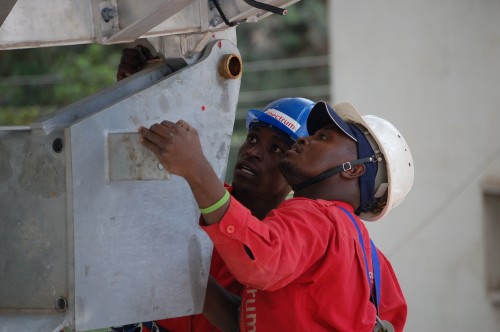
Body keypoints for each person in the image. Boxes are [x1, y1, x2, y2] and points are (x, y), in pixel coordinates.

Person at [138, 100, 414, 331]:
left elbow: (260, 260)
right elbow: (246, 320)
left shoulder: (317, 215)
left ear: (352, 169)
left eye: (323, 138)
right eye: (254, 138)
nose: (306, 138)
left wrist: (197, 169)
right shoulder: (362, 251)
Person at [112, 45, 314, 332]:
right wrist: (132, 96)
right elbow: (131, 189)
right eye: (253, 138)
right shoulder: (191, 193)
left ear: (297, 170)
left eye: (276, 148)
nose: (254, 152)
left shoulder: (285, 245)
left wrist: (177, 262)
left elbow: (244, 323)